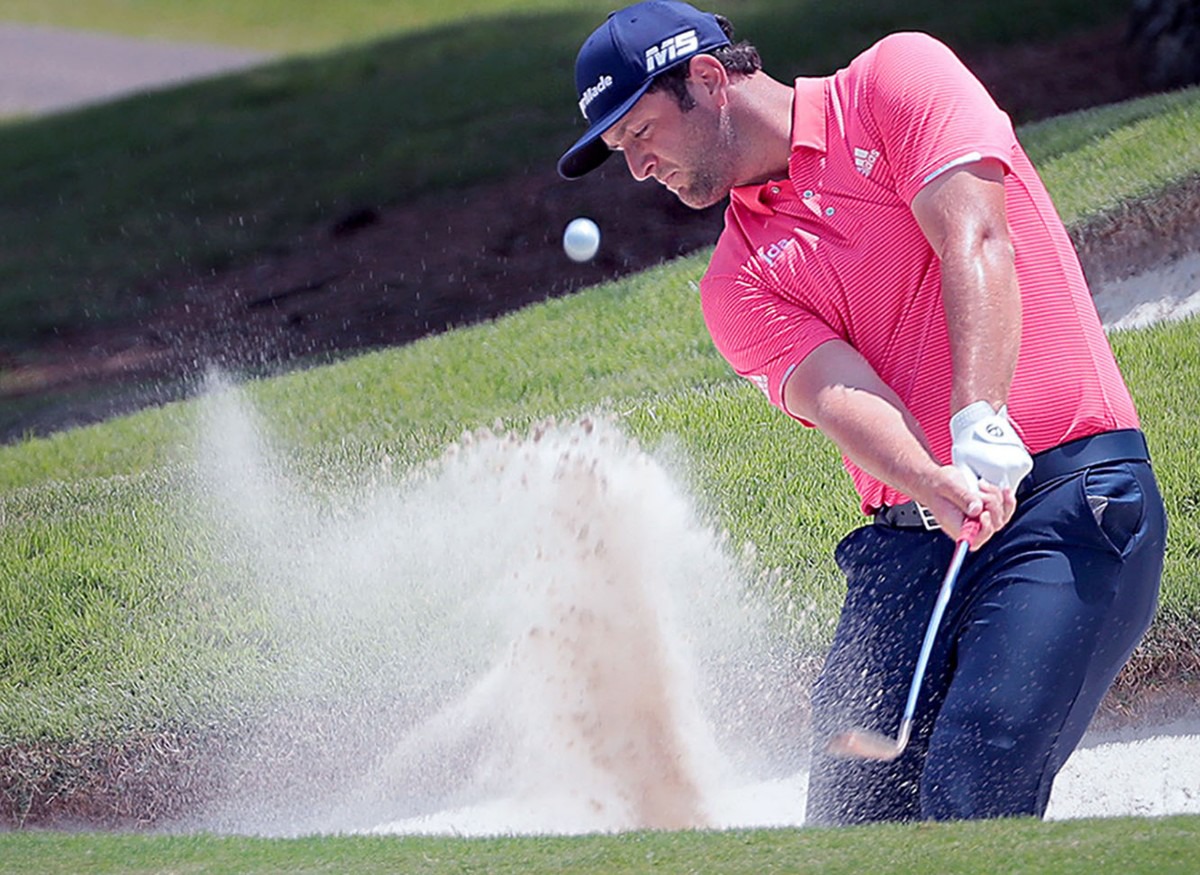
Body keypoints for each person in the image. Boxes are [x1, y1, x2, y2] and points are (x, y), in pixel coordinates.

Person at [557, 0, 1168, 824]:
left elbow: (978, 239)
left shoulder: (895, 81)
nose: (637, 168)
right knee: (850, 825)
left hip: (1068, 499)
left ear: (707, 79)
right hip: (907, 546)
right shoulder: (736, 281)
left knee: (974, 774)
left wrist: (979, 420)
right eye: (622, 151)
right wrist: (933, 477)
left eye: (640, 134)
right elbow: (839, 396)